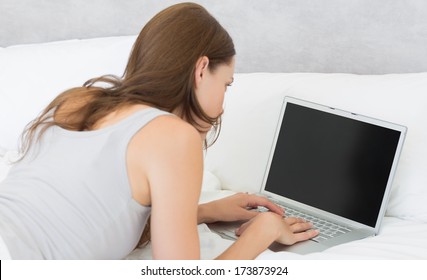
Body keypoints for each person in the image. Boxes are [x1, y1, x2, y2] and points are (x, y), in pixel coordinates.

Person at [0, 2, 318, 260]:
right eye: (227, 84)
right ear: (202, 69)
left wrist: (204, 211)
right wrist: (265, 230)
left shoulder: (79, 101)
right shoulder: (173, 137)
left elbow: (88, 210)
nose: (222, 105)